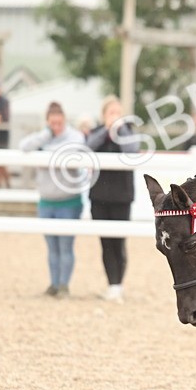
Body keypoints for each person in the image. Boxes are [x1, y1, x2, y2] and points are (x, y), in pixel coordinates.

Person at [20, 102, 84, 297]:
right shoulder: (43, 137)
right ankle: (54, 283)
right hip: (46, 200)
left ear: (65, 121)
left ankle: (64, 284)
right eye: (52, 123)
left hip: (68, 200)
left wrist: (44, 151)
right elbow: (24, 146)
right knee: (51, 247)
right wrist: (45, 135)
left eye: (59, 123)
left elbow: (71, 153)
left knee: (65, 246)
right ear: (47, 122)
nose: (56, 127)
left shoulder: (75, 136)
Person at [87, 96, 138, 302]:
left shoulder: (128, 132)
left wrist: (119, 129)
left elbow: (132, 151)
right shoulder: (96, 132)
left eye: (118, 113)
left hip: (121, 196)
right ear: (103, 115)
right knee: (105, 242)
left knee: (119, 242)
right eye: (111, 113)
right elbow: (88, 147)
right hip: (99, 196)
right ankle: (111, 285)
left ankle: (118, 285)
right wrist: (106, 130)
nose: (115, 117)